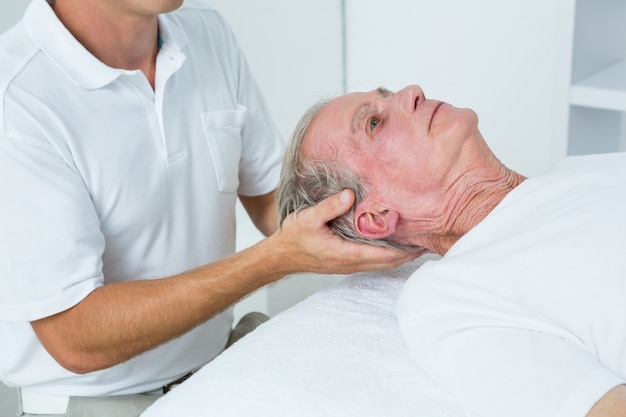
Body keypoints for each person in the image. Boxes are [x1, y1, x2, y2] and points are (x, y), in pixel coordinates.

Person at [0, 1, 415, 415]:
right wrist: (276, 258)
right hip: (95, 405)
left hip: (216, 378)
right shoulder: (18, 96)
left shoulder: (204, 35)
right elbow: (74, 335)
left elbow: (276, 201)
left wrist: (394, 213)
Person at [276, 84, 626, 417]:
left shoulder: (581, 169)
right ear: (378, 216)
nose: (412, 91)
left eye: (389, 94)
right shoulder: (448, 297)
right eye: (374, 123)